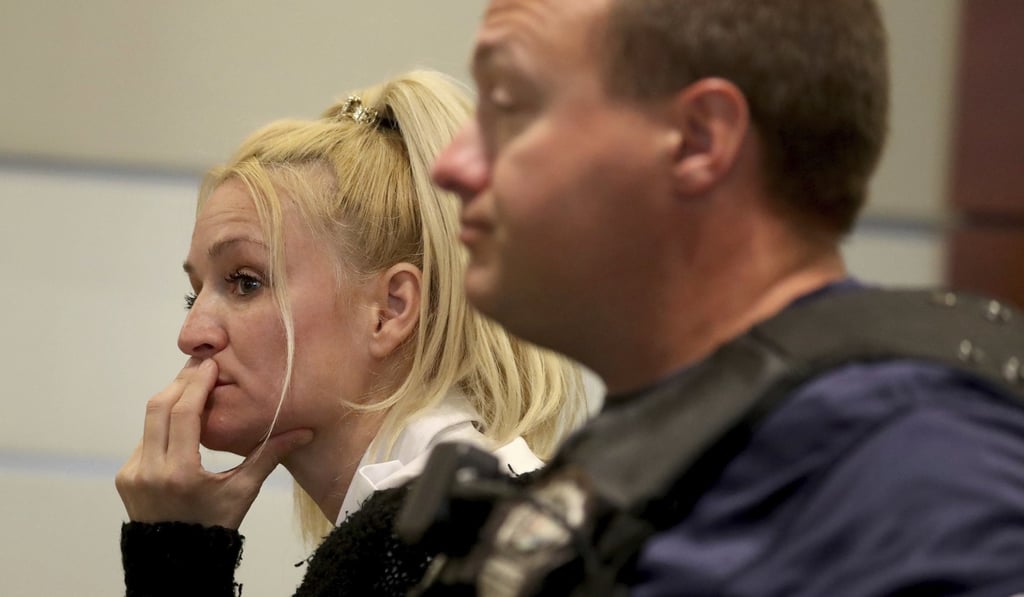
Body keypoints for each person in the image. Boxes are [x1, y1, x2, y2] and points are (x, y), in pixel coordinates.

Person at [418, 0, 1024, 594]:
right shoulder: (669, 447)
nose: (452, 166)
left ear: (698, 140)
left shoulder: (917, 471)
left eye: (509, 105)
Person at [115, 69, 587, 597]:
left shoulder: (438, 547)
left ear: (390, 310)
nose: (192, 333)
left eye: (246, 282)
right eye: (194, 294)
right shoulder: (456, 524)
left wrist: (173, 559)